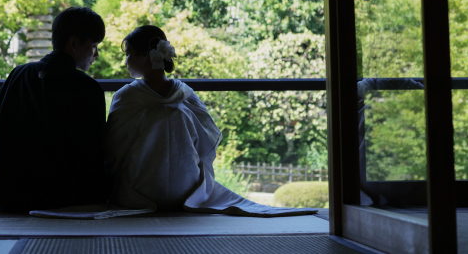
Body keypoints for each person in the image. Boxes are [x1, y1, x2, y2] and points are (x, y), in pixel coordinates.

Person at [104, 25, 315, 216]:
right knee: (175, 115)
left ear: (144, 56)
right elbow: (207, 141)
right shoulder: (186, 94)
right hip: (186, 190)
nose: (125, 61)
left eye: (129, 54)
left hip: (139, 190)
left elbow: (114, 149)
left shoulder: (127, 96)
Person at [0, 7, 109, 212]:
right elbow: (92, 154)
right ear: (74, 43)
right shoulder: (88, 88)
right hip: (64, 200)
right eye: (93, 46)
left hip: (9, 195)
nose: (96, 55)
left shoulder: (21, 75)